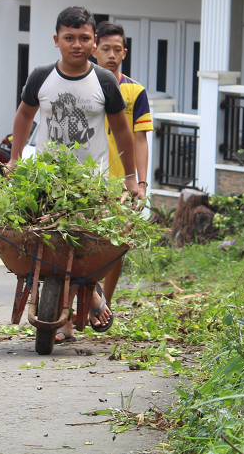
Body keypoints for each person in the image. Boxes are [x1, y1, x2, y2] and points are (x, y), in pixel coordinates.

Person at [7, 7, 144, 340]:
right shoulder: (41, 76)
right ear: (57, 40)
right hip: (45, 178)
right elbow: (24, 116)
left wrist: (130, 177)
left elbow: (122, 131)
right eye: (69, 38)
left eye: (84, 38)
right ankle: (82, 301)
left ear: (94, 41)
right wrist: (14, 159)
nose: (77, 45)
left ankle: (72, 312)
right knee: (45, 240)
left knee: (82, 244)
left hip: (91, 182)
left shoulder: (105, 81)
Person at [93, 21, 154, 311]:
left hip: (122, 185)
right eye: (105, 48)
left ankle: (106, 302)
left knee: (115, 248)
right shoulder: (84, 87)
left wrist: (141, 183)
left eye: (117, 49)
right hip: (87, 182)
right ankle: (72, 312)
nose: (111, 55)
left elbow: (140, 140)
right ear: (94, 50)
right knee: (80, 246)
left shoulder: (136, 92)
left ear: (125, 52)